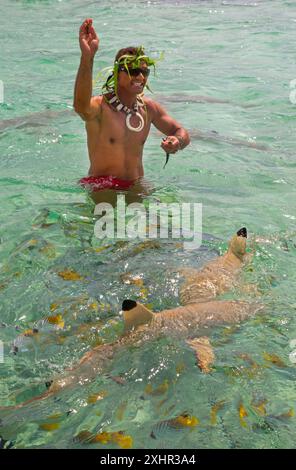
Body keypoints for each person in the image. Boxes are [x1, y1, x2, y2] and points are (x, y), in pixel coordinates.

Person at [73, 18, 190, 203]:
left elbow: (181, 132)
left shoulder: (148, 108)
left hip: (136, 185)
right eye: (133, 71)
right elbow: (80, 107)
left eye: (145, 72)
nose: (140, 77)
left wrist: (177, 141)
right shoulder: (100, 107)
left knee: (163, 222)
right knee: (107, 228)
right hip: (103, 186)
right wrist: (87, 57)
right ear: (117, 74)